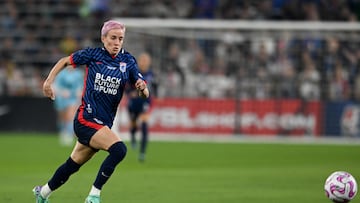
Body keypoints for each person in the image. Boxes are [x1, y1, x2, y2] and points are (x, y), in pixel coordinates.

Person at [33, 20, 149, 203]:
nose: (117, 42)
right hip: (85, 119)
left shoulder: (128, 61)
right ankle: (94, 195)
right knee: (119, 150)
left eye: (120, 38)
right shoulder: (93, 54)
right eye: (113, 38)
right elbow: (65, 61)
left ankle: (43, 192)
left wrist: (142, 89)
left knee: (73, 164)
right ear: (103, 38)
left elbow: (145, 93)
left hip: (103, 124)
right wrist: (48, 81)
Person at [126, 52, 157, 162]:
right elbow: (127, 87)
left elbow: (155, 87)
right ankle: (133, 136)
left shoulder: (151, 74)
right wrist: (131, 93)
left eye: (146, 60)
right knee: (133, 124)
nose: (144, 62)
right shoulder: (134, 73)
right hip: (133, 103)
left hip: (145, 103)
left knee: (144, 126)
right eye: (142, 60)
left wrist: (155, 96)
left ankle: (142, 153)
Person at [53, 66, 84, 146]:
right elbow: (57, 85)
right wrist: (62, 92)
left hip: (73, 98)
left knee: (70, 115)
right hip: (62, 98)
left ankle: (69, 134)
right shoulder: (61, 74)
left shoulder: (78, 74)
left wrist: (79, 92)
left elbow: (81, 85)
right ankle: (63, 131)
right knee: (62, 117)